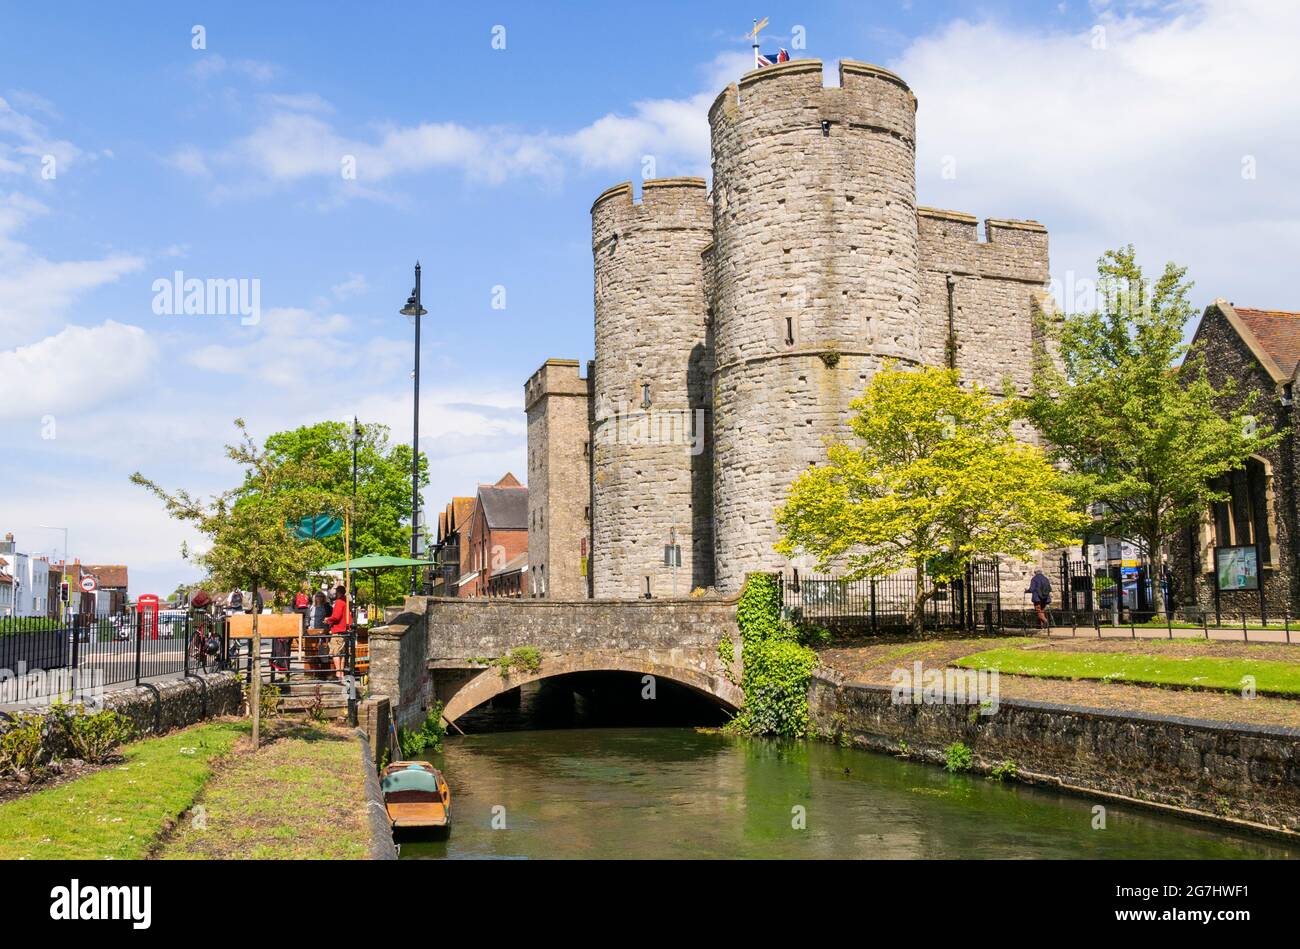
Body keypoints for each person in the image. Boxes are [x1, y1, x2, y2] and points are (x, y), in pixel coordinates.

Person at [325, 585, 352, 681]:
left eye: (336, 592)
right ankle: (341, 673)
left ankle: (338, 673)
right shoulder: (346, 601)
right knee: (342, 652)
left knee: (335, 651)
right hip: (345, 629)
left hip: (338, 629)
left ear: (338, 592)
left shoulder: (340, 602)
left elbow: (336, 616)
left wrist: (328, 620)